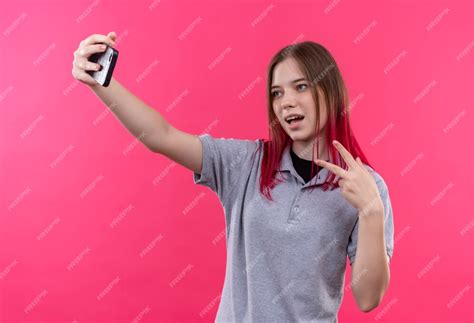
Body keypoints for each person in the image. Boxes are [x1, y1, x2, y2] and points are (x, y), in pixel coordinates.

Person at [72, 32, 394, 323]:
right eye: (277, 93)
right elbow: (161, 135)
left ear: (330, 90)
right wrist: (102, 82)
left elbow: (368, 298)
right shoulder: (248, 164)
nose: (287, 103)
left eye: (301, 87)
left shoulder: (366, 187)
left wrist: (372, 212)